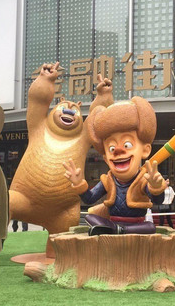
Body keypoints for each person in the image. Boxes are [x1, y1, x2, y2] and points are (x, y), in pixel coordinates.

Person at [63, 97, 166, 235]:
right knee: (90, 217)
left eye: (127, 145)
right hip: (113, 221)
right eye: (111, 148)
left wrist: (156, 188)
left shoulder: (142, 180)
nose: (118, 151)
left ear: (145, 150)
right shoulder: (108, 180)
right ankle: (115, 229)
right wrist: (78, 184)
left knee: (150, 227)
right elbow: (89, 199)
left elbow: (158, 201)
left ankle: (120, 230)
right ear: (106, 158)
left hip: (136, 224)